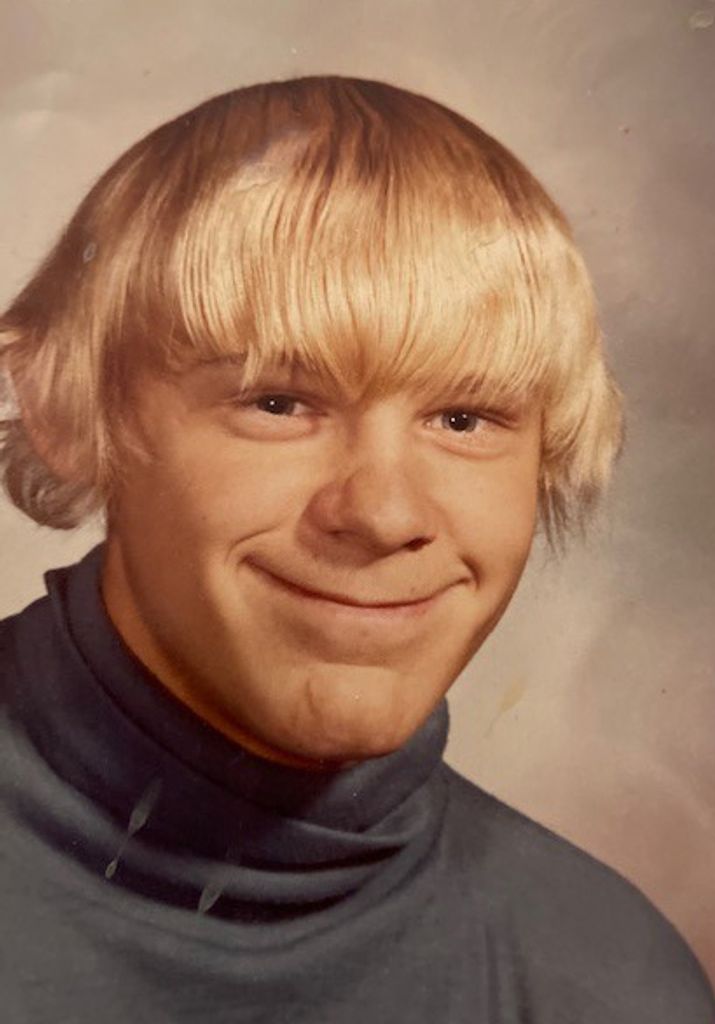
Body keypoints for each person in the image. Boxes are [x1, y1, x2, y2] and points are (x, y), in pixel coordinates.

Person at [0, 75, 712, 1023]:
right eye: (278, 402)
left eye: (464, 418)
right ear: (57, 406)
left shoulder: (604, 981)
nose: (382, 513)